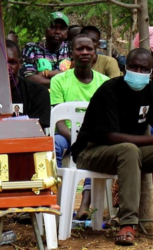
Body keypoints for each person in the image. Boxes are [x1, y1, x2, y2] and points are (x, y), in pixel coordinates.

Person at [71, 48, 153, 245]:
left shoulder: (151, 91)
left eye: (144, 69)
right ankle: (127, 223)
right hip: (91, 151)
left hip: (128, 153)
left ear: (151, 72)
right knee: (128, 149)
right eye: (134, 67)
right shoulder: (110, 90)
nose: (138, 72)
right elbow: (111, 136)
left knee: (130, 150)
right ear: (125, 68)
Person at [50, 34, 109, 219]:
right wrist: (77, 139)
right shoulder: (59, 81)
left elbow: (106, 120)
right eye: (79, 49)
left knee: (100, 150)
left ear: (95, 52)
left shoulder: (105, 83)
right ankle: (55, 201)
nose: (84, 52)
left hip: (94, 137)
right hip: (66, 135)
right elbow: (59, 122)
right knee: (52, 147)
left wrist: (87, 139)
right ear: (71, 53)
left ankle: (84, 205)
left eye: (89, 49)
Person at [21, 12, 71, 88]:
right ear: (44, 29)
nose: (57, 31)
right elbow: (29, 77)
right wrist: (60, 83)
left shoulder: (71, 48)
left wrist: (45, 73)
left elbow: (76, 75)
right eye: (53, 27)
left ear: (67, 33)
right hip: (40, 95)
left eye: (62, 29)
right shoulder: (32, 48)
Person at [8, 40, 50, 128]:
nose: (7, 67)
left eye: (12, 62)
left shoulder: (38, 93)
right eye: (1, 62)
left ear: (20, 64)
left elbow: (36, 130)